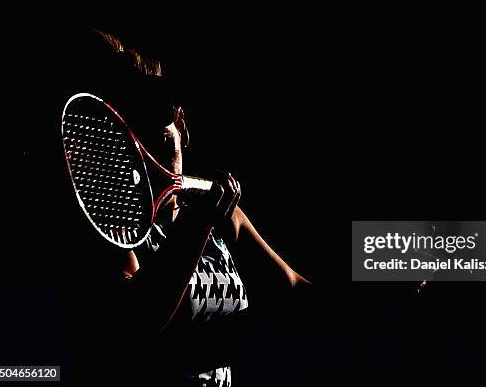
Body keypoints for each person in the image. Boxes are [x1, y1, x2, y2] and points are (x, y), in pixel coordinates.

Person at [47, 28, 310, 385]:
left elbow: (295, 292)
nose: (153, 160)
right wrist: (195, 228)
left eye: (162, 140)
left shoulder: (222, 217)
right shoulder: (112, 227)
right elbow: (133, 331)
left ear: (181, 125)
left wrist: (375, 287)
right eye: (137, 147)